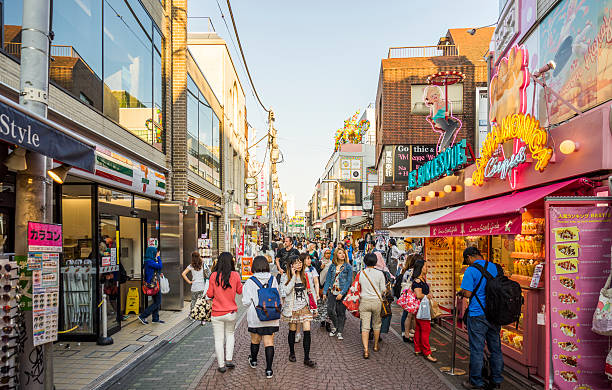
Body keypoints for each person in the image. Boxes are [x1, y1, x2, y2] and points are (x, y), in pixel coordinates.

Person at [457, 247, 503, 390]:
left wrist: (462, 292)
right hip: (495, 314)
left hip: (477, 314)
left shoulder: (471, 270)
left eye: (467, 260)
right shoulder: (495, 267)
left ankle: (476, 381)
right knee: (495, 348)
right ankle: (496, 380)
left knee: (477, 349)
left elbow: (468, 293)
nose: (468, 263)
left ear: (470, 257)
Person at [242, 256, 279, 379]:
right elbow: (277, 295)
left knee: (255, 340)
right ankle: (269, 370)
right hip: (271, 315)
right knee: (269, 342)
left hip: (256, 316)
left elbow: (245, 302)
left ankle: (253, 360)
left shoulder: (249, 281)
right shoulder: (273, 279)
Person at [206, 252, 243, 373]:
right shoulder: (236, 275)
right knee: (230, 335)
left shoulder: (213, 276)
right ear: (231, 262)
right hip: (231, 312)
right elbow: (239, 291)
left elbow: (209, 294)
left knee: (218, 339)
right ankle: (229, 360)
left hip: (217, 313)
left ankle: (221, 365)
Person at [281, 255, 317, 367]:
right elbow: (286, 291)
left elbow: (311, 292)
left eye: (300, 262)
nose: (299, 265)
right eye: (296, 263)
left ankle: (307, 357)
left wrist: (314, 307)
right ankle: (292, 352)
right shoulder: (285, 276)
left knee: (307, 331)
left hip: (304, 307)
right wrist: (292, 276)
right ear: (291, 265)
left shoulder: (306, 275)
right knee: (292, 330)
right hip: (292, 308)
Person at [358, 253, 387, 359]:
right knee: (376, 324)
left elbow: (358, 287)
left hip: (364, 301)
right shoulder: (380, 274)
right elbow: (383, 290)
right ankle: (375, 345)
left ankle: (365, 350)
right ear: (375, 262)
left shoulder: (361, 273)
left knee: (365, 326)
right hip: (377, 302)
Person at [322, 247, 352, 340]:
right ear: (336, 255)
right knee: (330, 310)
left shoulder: (348, 267)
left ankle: (339, 331)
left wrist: (342, 293)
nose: (342, 255)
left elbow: (348, 281)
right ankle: (336, 326)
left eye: (343, 253)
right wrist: (324, 292)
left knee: (341, 312)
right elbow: (328, 279)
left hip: (342, 293)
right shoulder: (332, 266)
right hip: (332, 291)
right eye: (340, 253)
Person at [411, 259, 437, 362]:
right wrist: (428, 296)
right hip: (423, 309)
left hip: (420, 308)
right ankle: (427, 352)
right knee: (426, 330)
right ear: (421, 268)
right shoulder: (418, 281)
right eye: (425, 266)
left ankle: (418, 349)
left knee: (419, 329)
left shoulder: (421, 279)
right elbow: (418, 295)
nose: (427, 268)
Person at [182, 251, 209, 323]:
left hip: (194, 287)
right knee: (201, 303)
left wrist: (189, 281)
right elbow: (208, 274)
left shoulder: (191, 266)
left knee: (193, 301)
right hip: (202, 287)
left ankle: (192, 316)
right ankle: (202, 320)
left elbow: (183, 274)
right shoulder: (203, 264)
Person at [138, 247, 164, 324]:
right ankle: (143, 315)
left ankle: (155, 318)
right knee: (157, 302)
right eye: (155, 252)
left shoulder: (149, 261)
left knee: (156, 301)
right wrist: (158, 257)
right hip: (153, 285)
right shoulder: (149, 261)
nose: (156, 253)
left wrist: (159, 273)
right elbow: (160, 266)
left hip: (154, 284)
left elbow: (156, 269)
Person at [400, 254, 419, 342]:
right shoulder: (413, 272)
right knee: (408, 315)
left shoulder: (407, 271)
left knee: (407, 314)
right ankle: (406, 332)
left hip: (407, 295)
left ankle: (406, 331)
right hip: (411, 295)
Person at [318, 248, 332, 331]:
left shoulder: (332, 263)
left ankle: (328, 323)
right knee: (322, 304)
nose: (328, 255)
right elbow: (316, 274)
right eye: (326, 253)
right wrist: (320, 268)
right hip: (320, 286)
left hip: (329, 286)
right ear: (323, 254)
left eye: (329, 253)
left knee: (329, 305)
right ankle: (322, 320)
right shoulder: (320, 262)